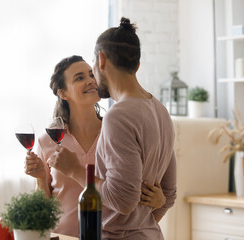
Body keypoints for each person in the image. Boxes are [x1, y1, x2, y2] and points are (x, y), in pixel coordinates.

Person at [47, 18, 177, 239]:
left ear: (101, 60)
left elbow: (123, 201)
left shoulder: (118, 116)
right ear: (136, 65)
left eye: (92, 68)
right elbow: (168, 194)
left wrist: (74, 171)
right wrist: (140, 226)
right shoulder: (160, 110)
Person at [24, 55, 166, 237]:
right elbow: (43, 207)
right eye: (80, 78)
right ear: (63, 93)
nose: (91, 81)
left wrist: (158, 200)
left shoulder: (119, 133)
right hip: (64, 236)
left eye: (92, 75)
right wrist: (39, 178)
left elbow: (139, 190)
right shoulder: (47, 141)